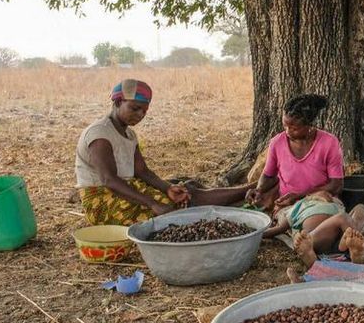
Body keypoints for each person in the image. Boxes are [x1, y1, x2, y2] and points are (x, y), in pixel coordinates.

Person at [75, 79, 251, 226]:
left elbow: (142, 171)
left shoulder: (129, 134)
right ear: (118, 102)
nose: (140, 115)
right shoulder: (100, 134)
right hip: (103, 200)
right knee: (174, 216)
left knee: (185, 198)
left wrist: (168, 188)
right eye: (135, 108)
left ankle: (249, 191)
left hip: (127, 189)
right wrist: (153, 203)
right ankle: (244, 201)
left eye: (144, 111)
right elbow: (109, 180)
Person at [246, 94, 344, 212]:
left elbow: (336, 186)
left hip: (320, 202)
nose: (287, 131)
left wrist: (300, 196)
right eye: (285, 126)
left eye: (294, 128)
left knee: (314, 222)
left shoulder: (329, 143)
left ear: (310, 125)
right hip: (286, 205)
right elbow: (268, 175)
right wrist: (258, 190)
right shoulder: (277, 142)